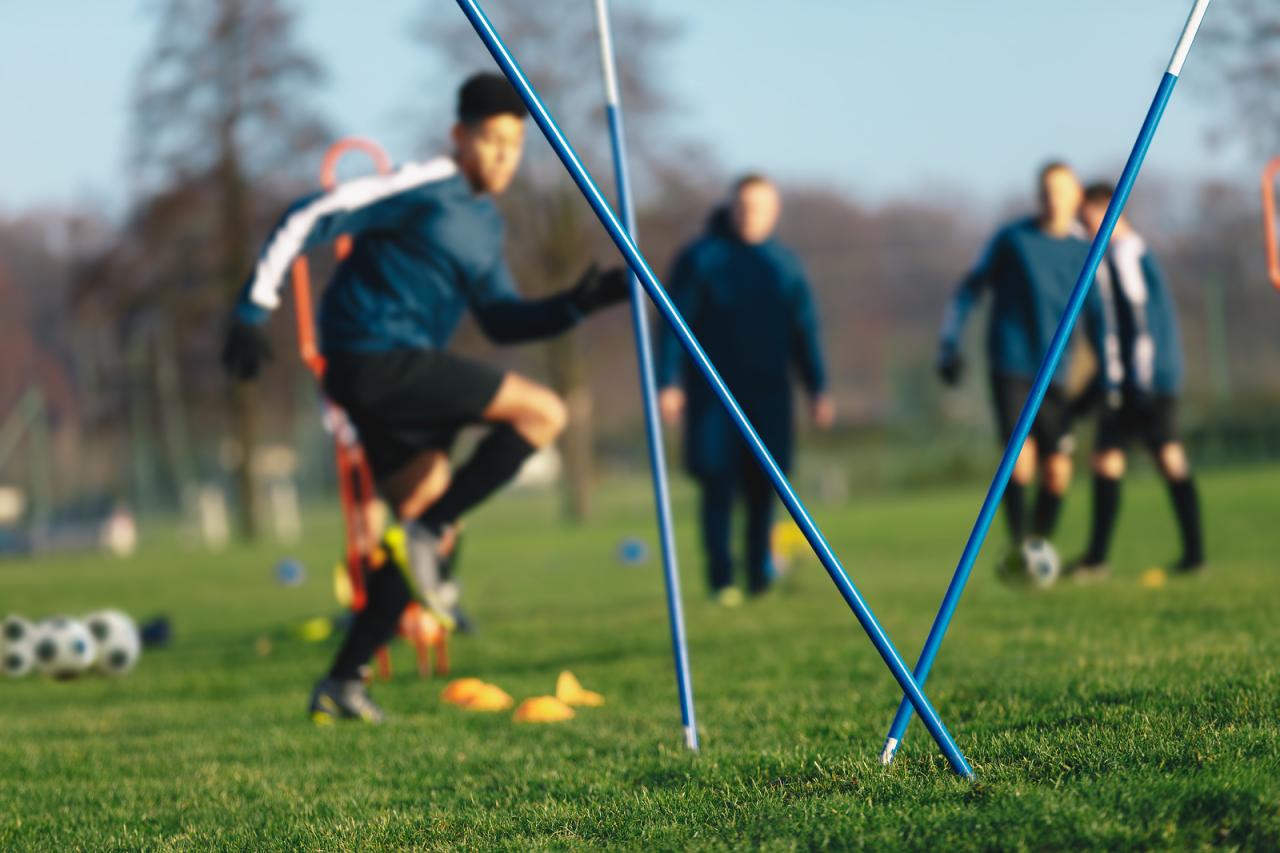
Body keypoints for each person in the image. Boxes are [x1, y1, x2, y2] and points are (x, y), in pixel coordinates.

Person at [221, 73, 629, 723]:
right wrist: (252, 306)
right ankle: (430, 527)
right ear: (458, 136)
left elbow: (501, 318)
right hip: (372, 357)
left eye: (514, 145)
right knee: (543, 410)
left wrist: (577, 304)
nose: (502, 156)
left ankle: (343, 682)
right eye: (490, 140)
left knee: (426, 529)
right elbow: (307, 215)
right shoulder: (422, 185)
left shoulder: (486, 225)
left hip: (401, 374)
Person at [656, 174, 832, 606]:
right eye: (743, 206)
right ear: (731, 207)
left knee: (764, 485)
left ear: (775, 212)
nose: (750, 215)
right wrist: (668, 382)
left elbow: (804, 329)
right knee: (718, 484)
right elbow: (672, 324)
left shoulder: (784, 265)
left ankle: (760, 574)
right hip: (712, 394)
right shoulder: (701, 258)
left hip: (770, 393)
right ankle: (722, 580)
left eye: (760, 207)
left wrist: (817, 387)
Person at [937, 162, 1098, 570]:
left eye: (1062, 190)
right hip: (1012, 363)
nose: (1053, 198)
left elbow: (1099, 316)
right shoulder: (1012, 240)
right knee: (1020, 456)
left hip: (1058, 371)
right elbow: (969, 288)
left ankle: (1038, 545)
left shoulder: (1084, 250)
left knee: (1058, 469)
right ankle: (1020, 546)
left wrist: (1108, 375)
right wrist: (950, 343)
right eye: (1046, 190)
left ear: (1076, 196)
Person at [1067, 182, 1205, 581]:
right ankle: (1097, 558)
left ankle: (1194, 555)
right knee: (1108, 460)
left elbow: (1140, 323)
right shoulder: (1113, 254)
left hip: (1147, 380)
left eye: (1086, 216)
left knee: (1167, 456)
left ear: (1108, 210)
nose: (1083, 225)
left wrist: (1136, 384)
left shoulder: (1127, 253)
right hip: (1131, 381)